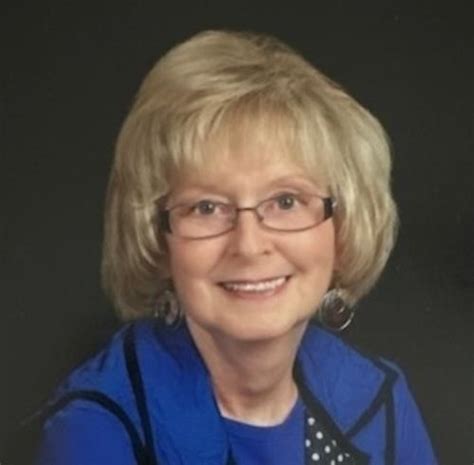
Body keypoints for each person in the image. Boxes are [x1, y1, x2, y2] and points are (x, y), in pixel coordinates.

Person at [33, 30, 437, 465]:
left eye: (286, 201)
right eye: (207, 207)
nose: (249, 244)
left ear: (343, 225)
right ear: (156, 238)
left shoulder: (380, 400)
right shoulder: (96, 430)